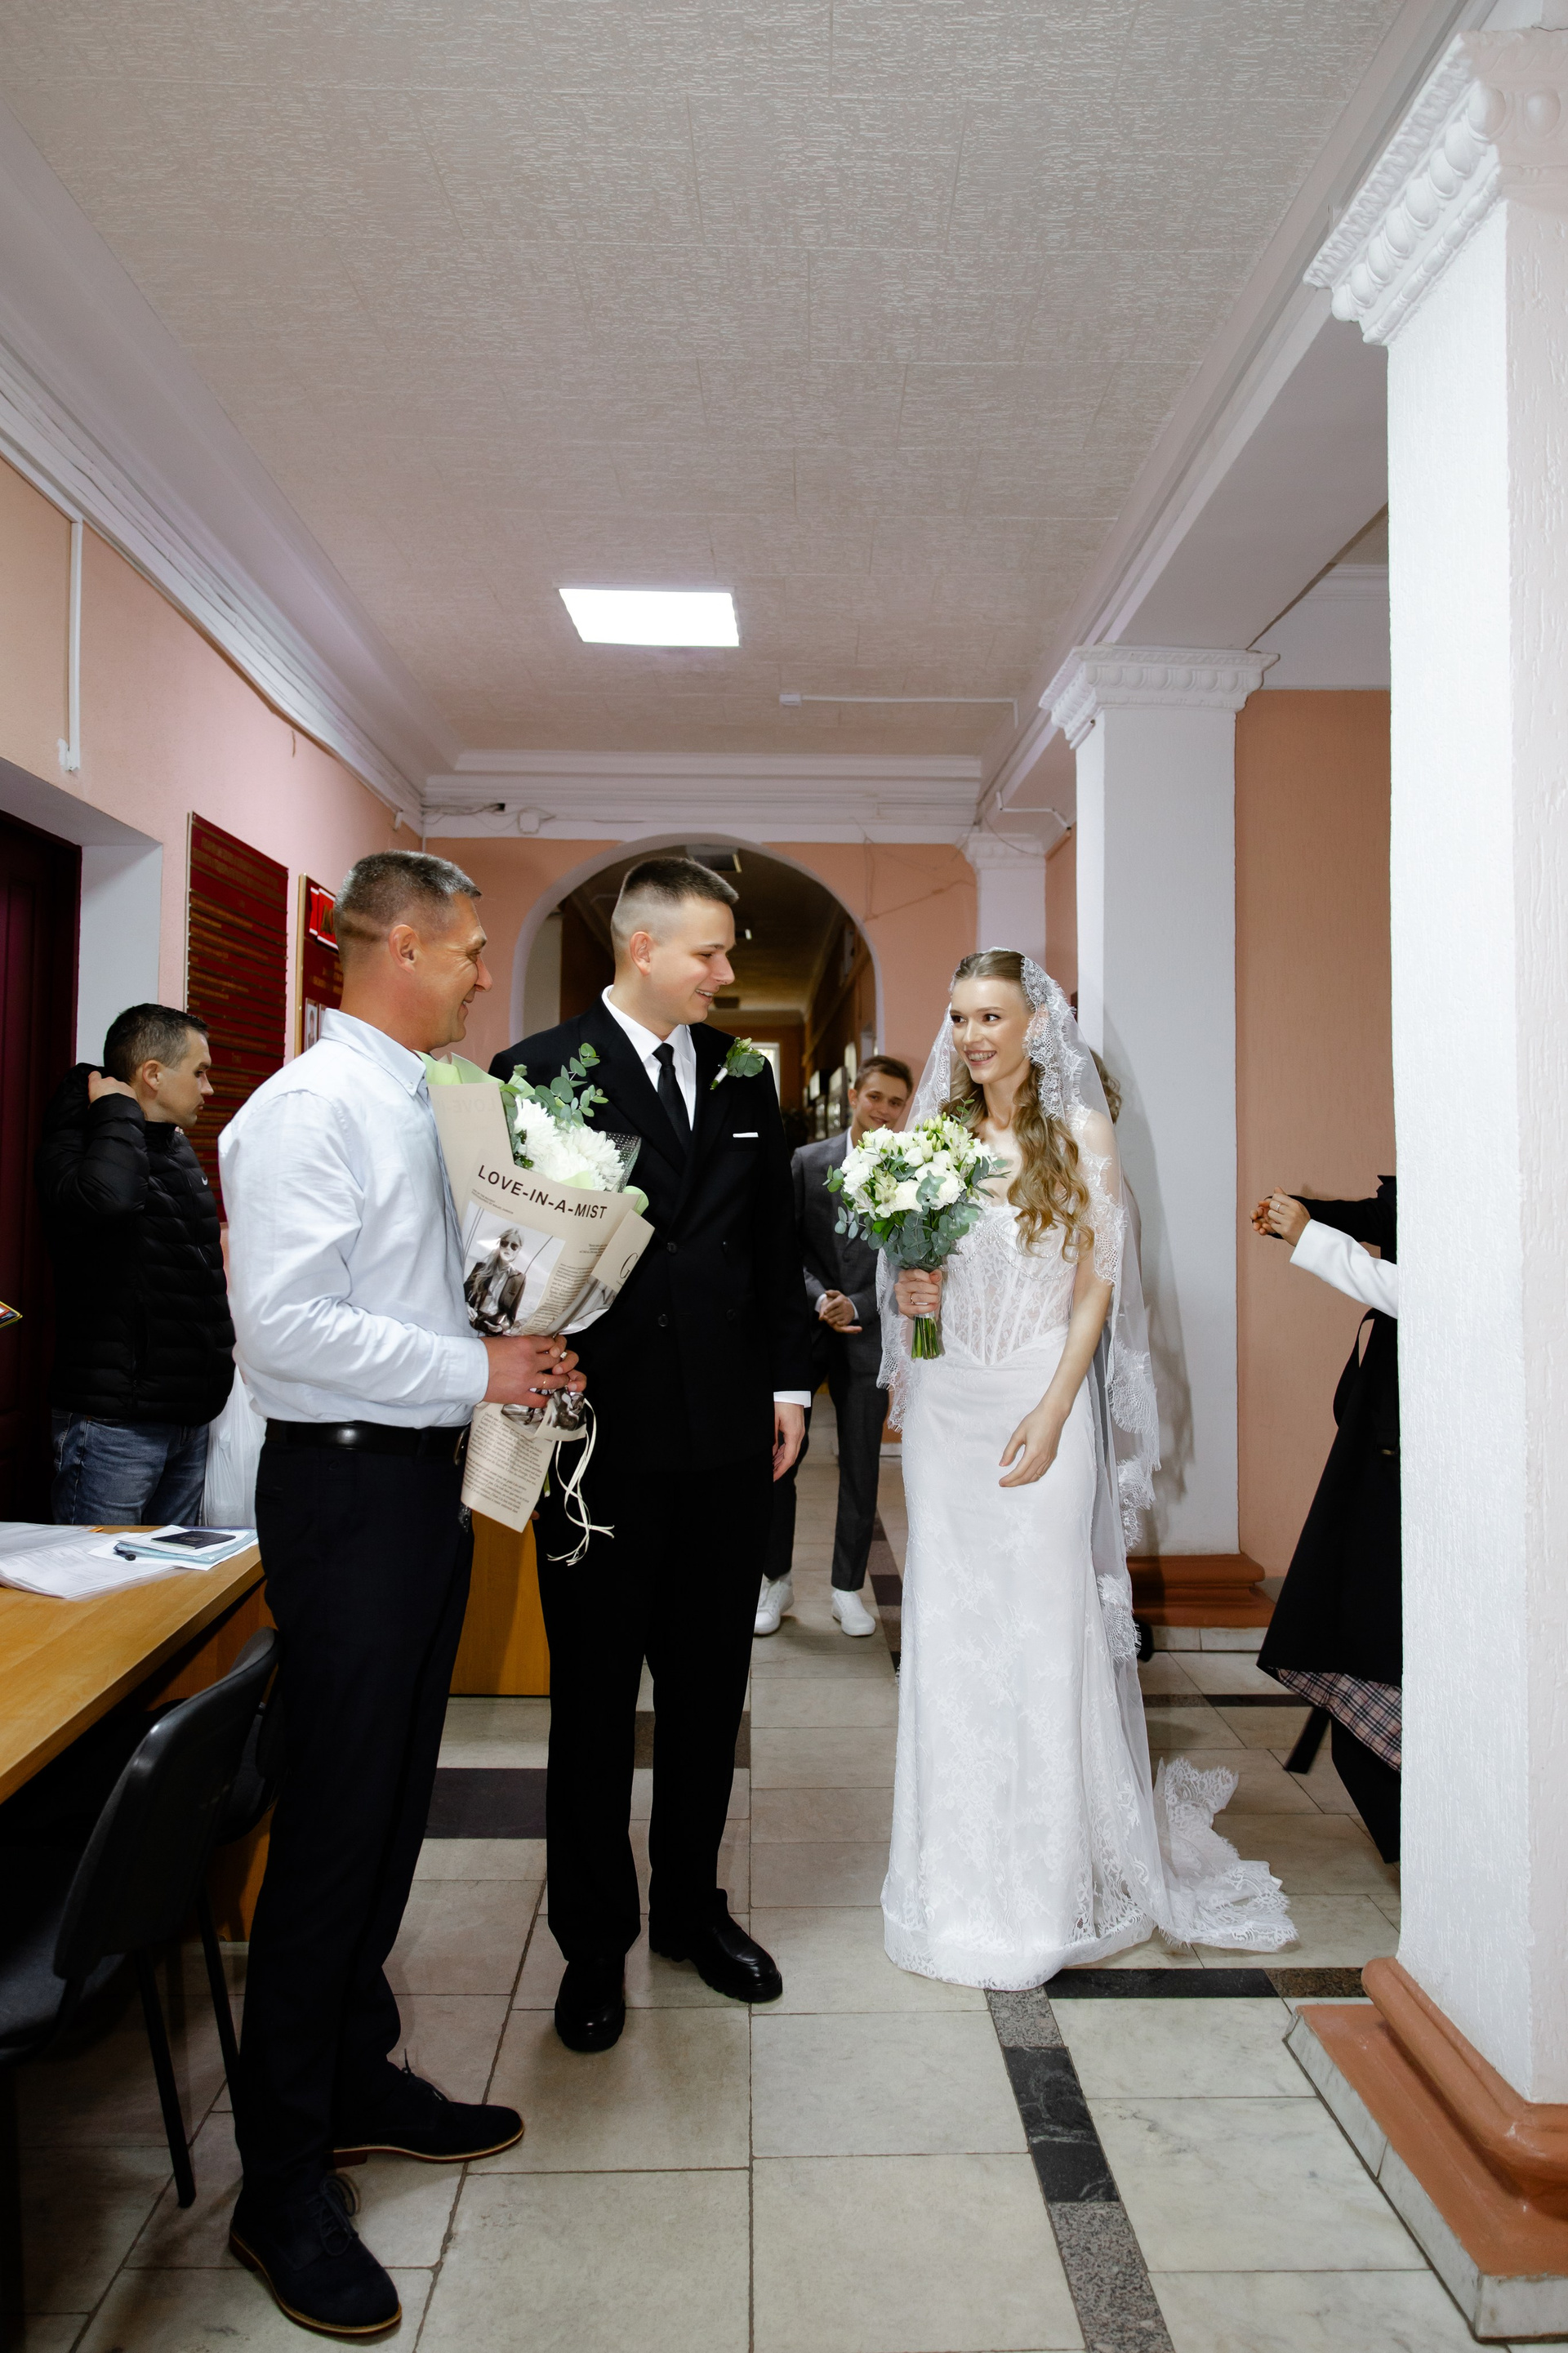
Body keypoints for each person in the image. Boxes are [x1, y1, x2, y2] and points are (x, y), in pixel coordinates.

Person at [220, 851, 581, 2340]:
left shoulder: (421, 1098)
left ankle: (350, 2076)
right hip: (346, 1489)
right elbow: (285, 1332)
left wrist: (525, 1326)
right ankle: (276, 2180)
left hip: (417, 1485)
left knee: (385, 1814)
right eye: (473, 949)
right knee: (328, 1833)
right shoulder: (305, 1110)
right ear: (406, 948)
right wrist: (472, 1366)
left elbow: (413, 1292)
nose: (487, 973)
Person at [881, 950, 1294, 1986]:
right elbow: (915, 1270)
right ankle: (952, 1879)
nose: (971, 1036)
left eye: (991, 1016)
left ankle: (1048, 1883)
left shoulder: (1080, 1133)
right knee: (951, 1630)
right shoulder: (933, 1137)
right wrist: (911, 1292)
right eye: (959, 1017)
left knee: (1042, 1623)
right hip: (948, 1406)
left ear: (1037, 1024)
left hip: (1040, 1392)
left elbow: (1098, 1286)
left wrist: (1059, 1405)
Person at [493, 855, 813, 2053]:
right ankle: (592, 1944)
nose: (724, 973)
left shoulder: (743, 1074)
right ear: (642, 948)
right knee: (590, 1703)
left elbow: (772, 1244)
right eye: (709, 952)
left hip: (727, 1436)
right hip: (600, 1439)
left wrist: (790, 1384)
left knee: (707, 1693)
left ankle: (690, 1908)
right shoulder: (536, 1073)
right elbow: (502, 1249)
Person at [35, 1004, 234, 1524]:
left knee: (171, 1574)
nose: (209, 1088)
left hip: (187, 1418)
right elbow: (109, 1200)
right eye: (199, 1072)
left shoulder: (175, 1147)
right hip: (115, 1426)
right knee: (96, 1569)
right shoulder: (78, 1141)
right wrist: (119, 1110)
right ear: (152, 1075)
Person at [1252, 1179, 1401, 1861]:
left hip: (1403, 1440)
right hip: (1380, 1427)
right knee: (1346, 1602)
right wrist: (1303, 1211)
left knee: (1365, 1618)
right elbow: (1384, 1213)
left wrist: (1309, 1235)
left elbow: (1421, 1292)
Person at [756, 1055, 913, 1638]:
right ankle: (775, 1579)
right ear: (853, 1095)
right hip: (804, 1334)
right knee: (780, 1458)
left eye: (896, 1102)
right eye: (875, 1097)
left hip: (869, 1338)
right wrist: (821, 1296)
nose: (884, 1110)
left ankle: (847, 1590)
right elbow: (782, 1249)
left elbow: (911, 1260)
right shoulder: (807, 1161)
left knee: (862, 1467)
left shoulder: (915, 1171)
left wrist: (861, 1305)